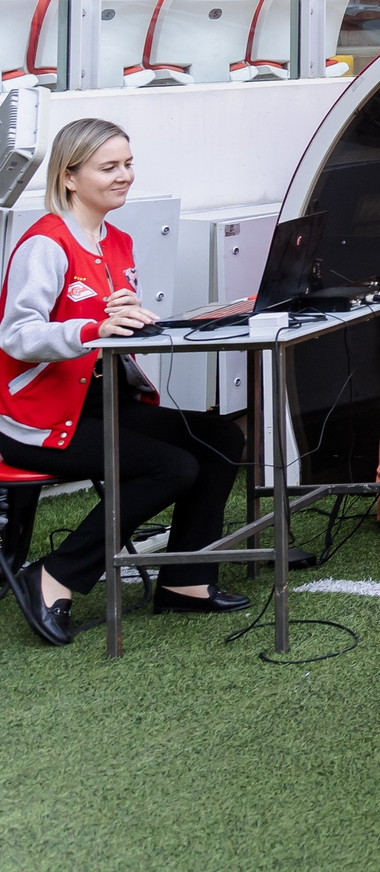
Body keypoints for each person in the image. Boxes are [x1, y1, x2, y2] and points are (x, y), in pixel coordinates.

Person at [0, 121, 246, 645]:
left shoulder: (119, 242)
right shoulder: (45, 243)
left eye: (128, 164)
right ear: (69, 177)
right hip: (38, 420)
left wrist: (133, 318)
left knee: (221, 437)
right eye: (108, 167)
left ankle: (186, 581)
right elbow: (17, 335)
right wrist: (93, 328)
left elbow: (107, 325)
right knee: (173, 466)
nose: (124, 176)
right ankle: (56, 574)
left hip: (102, 402)